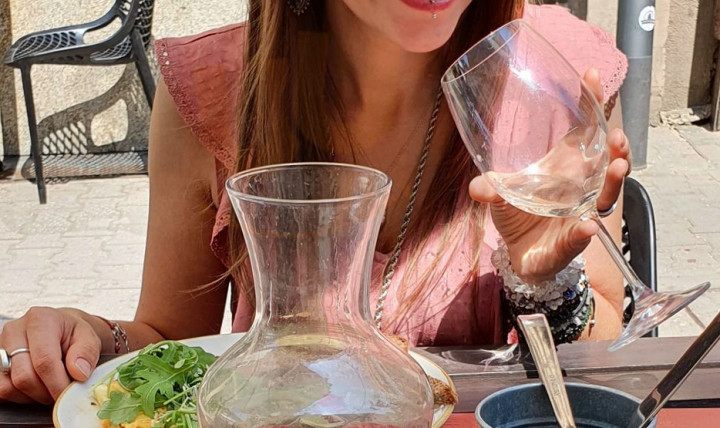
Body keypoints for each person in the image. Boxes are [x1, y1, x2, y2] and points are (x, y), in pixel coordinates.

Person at [0, 0, 631, 405]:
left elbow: (607, 358)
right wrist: (91, 343)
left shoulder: (560, 74)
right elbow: (170, 340)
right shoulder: (214, 89)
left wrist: (546, 287)